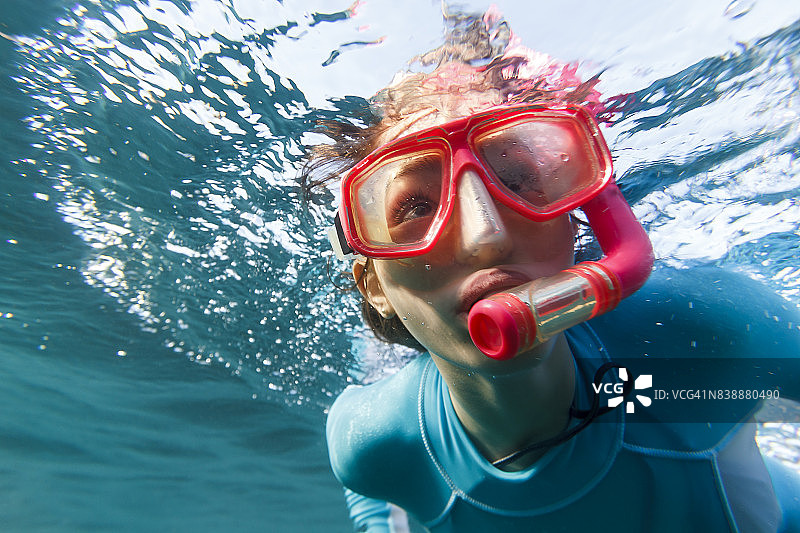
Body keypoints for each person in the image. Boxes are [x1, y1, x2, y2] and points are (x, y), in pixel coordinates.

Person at [302, 9, 800, 533]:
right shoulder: (375, 439)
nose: (485, 237)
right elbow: (366, 490)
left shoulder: (700, 333)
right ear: (374, 285)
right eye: (415, 208)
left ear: (576, 224)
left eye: (519, 177)